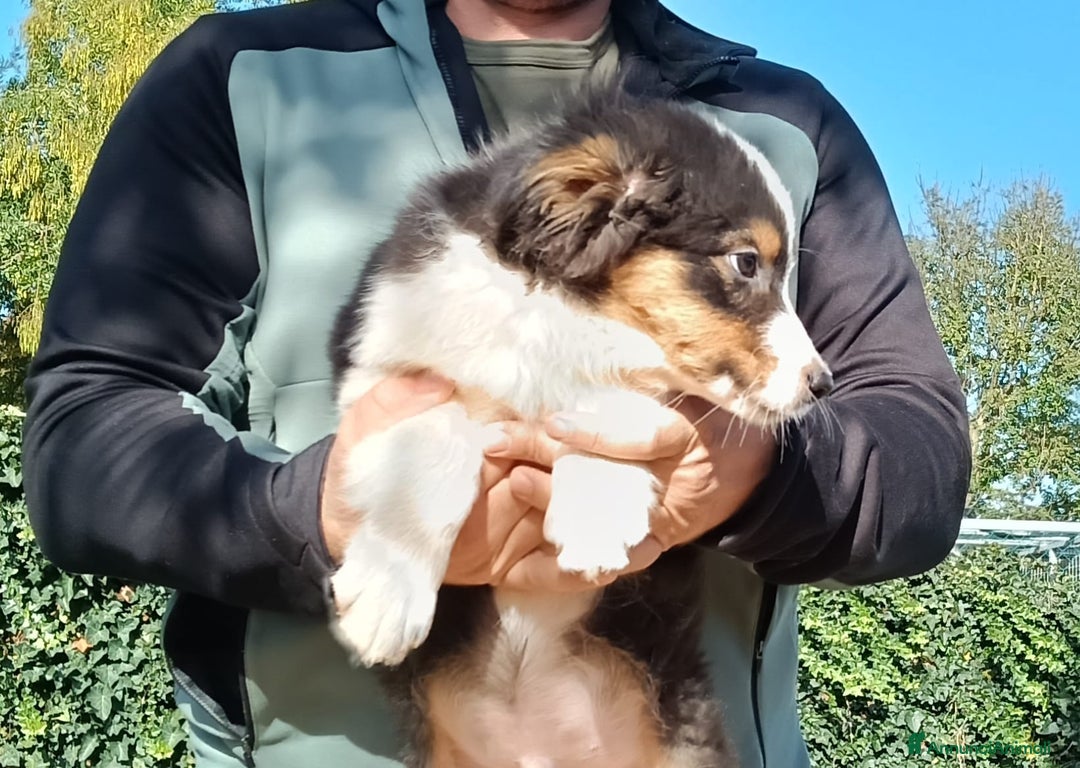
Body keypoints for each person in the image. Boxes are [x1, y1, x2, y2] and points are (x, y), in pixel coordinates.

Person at [21, 0, 971, 765]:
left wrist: (750, 479)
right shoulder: (244, 77)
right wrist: (326, 516)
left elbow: (920, 459)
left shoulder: (784, 125)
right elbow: (85, 438)